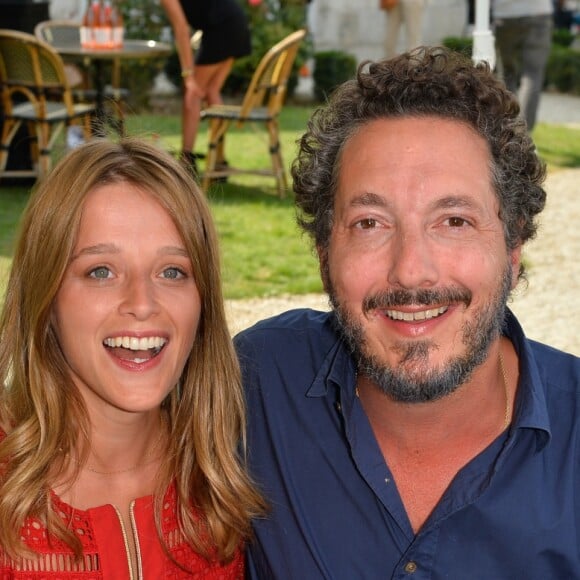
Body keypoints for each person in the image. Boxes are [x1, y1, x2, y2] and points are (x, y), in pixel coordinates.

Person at [235, 46, 580, 578]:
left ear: (513, 249)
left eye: (455, 221)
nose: (411, 272)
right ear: (325, 255)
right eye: (371, 223)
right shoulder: (255, 386)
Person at [0, 138, 265, 576]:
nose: (142, 303)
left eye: (172, 272)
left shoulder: (222, 480)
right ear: (45, 298)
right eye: (101, 271)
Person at [160, 0, 252, 175]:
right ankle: (219, 160)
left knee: (193, 93)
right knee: (211, 91)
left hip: (222, 26)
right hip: (235, 20)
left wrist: (188, 75)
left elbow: (181, 29)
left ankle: (187, 161)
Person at [493, 0, 554, 131]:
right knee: (532, 75)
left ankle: (506, 130)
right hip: (537, 13)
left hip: (505, 14)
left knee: (506, 74)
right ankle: (523, 134)